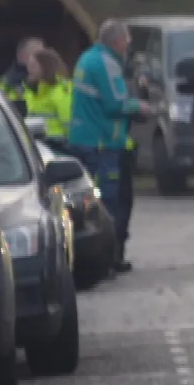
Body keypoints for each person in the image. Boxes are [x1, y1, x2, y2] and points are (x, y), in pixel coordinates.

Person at [69, 21, 151, 273]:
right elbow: (115, 104)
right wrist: (141, 107)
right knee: (109, 204)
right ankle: (107, 260)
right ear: (116, 41)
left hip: (85, 140)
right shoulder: (106, 63)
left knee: (92, 202)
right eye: (126, 40)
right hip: (102, 145)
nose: (128, 45)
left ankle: (102, 258)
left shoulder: (88, 58)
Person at [25, 49, 74, 145]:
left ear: (45, 67)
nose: (29, 68)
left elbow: (70, 124)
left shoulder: (61, 91)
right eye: (29, 65)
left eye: (33, 65)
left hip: (59, 145)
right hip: (38, 144)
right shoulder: (32, 91)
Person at [0, 37, 45, 107]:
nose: (42, 59)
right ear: (21, 56)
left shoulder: (52, 78)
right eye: (36, 55)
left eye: (43, 55)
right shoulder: (7, 81)